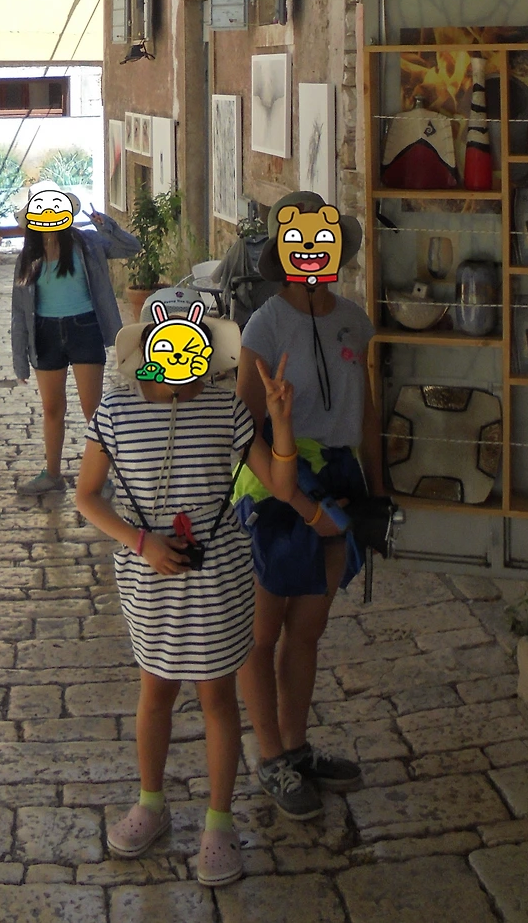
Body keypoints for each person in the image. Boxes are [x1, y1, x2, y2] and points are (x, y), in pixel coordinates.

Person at [76, 303, 298, 887]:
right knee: (155, 692)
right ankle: (151, 803)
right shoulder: (115, 411)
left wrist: (280, 421)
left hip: (218, 572)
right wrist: (139, 542)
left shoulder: (227, 409)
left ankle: (218, 822)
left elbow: (278, 484)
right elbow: (87, 496)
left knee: (217, 698)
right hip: (148, 575)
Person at [234, 190, 383, 821]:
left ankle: (295, 749)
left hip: (340, 480)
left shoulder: (355, 321)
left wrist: (377, 487)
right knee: (262, 630)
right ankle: (269, 755)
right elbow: (242, 420)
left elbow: (366, 408)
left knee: (309, 627)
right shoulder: (265, 324)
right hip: (279, 484)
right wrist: (284, 488)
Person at [11, 181, 140, 497]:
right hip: (45, 334)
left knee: (92, 409)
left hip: (85, 329)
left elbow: (130, 247)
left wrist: (106, 224)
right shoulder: (28, 256)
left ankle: (102, 479)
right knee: (52, 408)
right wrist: (19, 361)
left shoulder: (89, 244)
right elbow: (18, 311)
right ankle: (52, 474)